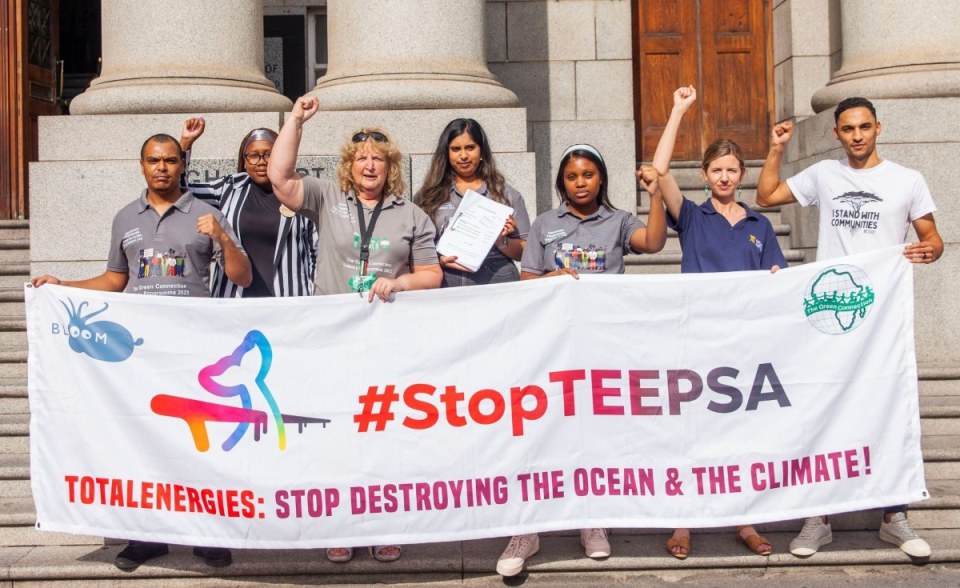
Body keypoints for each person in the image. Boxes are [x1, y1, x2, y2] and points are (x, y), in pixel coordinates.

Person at [31, 133, 252, 571]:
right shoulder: (124, 218)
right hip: (142, 353)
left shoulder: (207, 213)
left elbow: (242, 276)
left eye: (170, 160)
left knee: (197, 441)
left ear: (181, 164)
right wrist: (62, 286)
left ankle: (206, 533)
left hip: (192, 348)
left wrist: (224, 239)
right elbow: (115, 279)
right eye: (154, 160)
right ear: (142, 165)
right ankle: (146, 536)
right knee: (143, 440)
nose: (162, 168)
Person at [756, 96, 943, 559]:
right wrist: (776, 148)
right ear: (836, 133)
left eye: (864, 127)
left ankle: (894, 516)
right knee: (823, 409)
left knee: (887, 408)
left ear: (879, 127)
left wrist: (930, 250)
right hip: (828, 316)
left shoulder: (907, 180)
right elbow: (765, 196)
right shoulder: (825, 174)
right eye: (848, 129)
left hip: (880, 317)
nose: (857, 135)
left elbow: (932, 238)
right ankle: (818, 517)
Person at [267, 95, 442, 562]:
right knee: (337, 431)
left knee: (382, 432)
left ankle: (384, 523)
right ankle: (339, 524)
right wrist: (296, 120)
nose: (369, 165)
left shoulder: (412, 214)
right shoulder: (328, 198)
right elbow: (280, 178)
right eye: (361, 158)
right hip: (332, 337)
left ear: (391, 168)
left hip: (386, 339)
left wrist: (399, 282)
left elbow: (432, 274)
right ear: (349, 165)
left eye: (378, 159)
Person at [495, 144, 666, 578]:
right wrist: (550, 278)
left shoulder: (619, 221)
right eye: (572, 177)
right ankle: (527, 529)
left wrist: (657, 196)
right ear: (562, 183)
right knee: (540, 432)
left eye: (588, 174)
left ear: (601, 178)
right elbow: (527, 280)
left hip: (603, 344)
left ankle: (592, 519)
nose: (580, 183)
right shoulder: (545, 224)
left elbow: (653, 242)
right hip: (552, 346)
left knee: (593, 432)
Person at [650, 86, 786, 560]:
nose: (724, 177)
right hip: (697, 338)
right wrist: (677, 111)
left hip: (744, 342)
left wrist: (776, 279)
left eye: (732, 170)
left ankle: (743, 518)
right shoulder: (692, 217)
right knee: (692, 431)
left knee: (740, 433)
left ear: (742, 175)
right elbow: (659, 171)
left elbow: (778, 279)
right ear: (704, 175)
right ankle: (683, 520)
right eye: (717, 170)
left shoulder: (759, 226)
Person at [178, 118, 318, 297]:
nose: (261, 161)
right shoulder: (228, 189)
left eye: (269, 154)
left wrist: (316, 300)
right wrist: (185, 144)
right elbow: (182, 192)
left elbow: (316, 253)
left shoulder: (302, 192)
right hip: (235, 300)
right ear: (244, 161)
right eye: (253, 156)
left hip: (289, 302)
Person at [415, 118, 529, 286]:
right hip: (448, 284)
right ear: (446, 153)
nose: (463, 156)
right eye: (456, 149)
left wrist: (501, 240)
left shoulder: (507, 195)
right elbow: (415, 249)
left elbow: (525, 252)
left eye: (470, 148)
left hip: (497, 284)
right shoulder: (427, 197)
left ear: (482, 151)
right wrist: (438, 259)